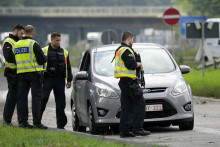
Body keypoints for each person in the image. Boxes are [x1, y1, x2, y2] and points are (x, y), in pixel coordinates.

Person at [114, 31, 151, 138]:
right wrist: (139, 64)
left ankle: (124, 131)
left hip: (125, 81)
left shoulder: (120, 50)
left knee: (127, 107)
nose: (133, 42)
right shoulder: (126, 50)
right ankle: (138, 128)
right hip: (129, 83)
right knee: (140, 104)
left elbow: (126, 68)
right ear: (129, 38)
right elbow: (131, 65)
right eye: (132, 39)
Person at [14, 25, 47, 129]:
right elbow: (42, 60)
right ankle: (37, 123)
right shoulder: (33, 44)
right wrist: (45, 57)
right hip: (34, 74)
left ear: (24, 32)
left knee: (22, 99)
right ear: (32, 32)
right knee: (36, 99)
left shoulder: (16, 44)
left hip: (21, 74)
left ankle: (22, 123)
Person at [41, 32, 73, 129]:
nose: (58, 42)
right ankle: (37, 122)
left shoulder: (64, 52)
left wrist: (69, 80)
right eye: (56, 40)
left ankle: (60, 125)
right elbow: (39, 66)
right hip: (47, 79)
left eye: (59, 40)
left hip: (59, 80)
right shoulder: (44, 51)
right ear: (51, 40)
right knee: (42, 100)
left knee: (61, 103)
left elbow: (68, 67)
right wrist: (40, 80)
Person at [2, 24, 25, 125]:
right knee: (12, 97)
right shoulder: (8, 42)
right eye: (21, 33)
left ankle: (21, 121)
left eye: (23, 34)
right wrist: (22, 60)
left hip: (19, 72)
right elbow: (9, 57)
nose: (22, 35)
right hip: (12, 73)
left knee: (20, 97)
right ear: (16, 31)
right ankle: (7, 120)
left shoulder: (18, 42)